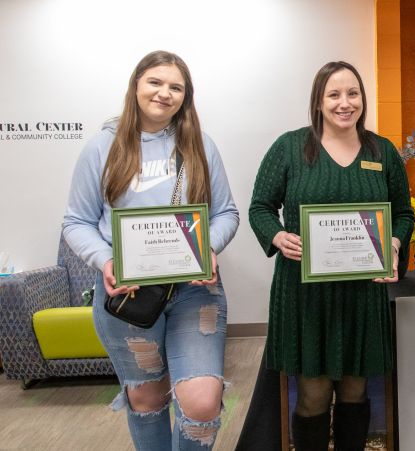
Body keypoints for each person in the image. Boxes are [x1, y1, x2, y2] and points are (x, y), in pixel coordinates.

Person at [62, 50, 239, 450]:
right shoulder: (102, 146)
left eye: (176, 87)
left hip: (195, 292)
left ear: (186, 97)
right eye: (155, 82)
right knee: (147, 397)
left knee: (203, 401)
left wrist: (208, 247)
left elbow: (226, 213)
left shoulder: (199, 146)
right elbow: (76, 222)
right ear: (136, 85)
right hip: (128, 296)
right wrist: (105, 261)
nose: (164, 93)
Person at [248, 61, 414, 451]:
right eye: (334, 95)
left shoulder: (382, 151)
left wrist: (392, 243)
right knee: (313, 393)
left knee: (356, 390)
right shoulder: (289, 147)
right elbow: (260, 207)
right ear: (318, 101)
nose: (345, 103)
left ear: (363, 99)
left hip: (362, 293)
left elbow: (403, 214)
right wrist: (277, 236)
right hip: (306, 294)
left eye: (352, 93)